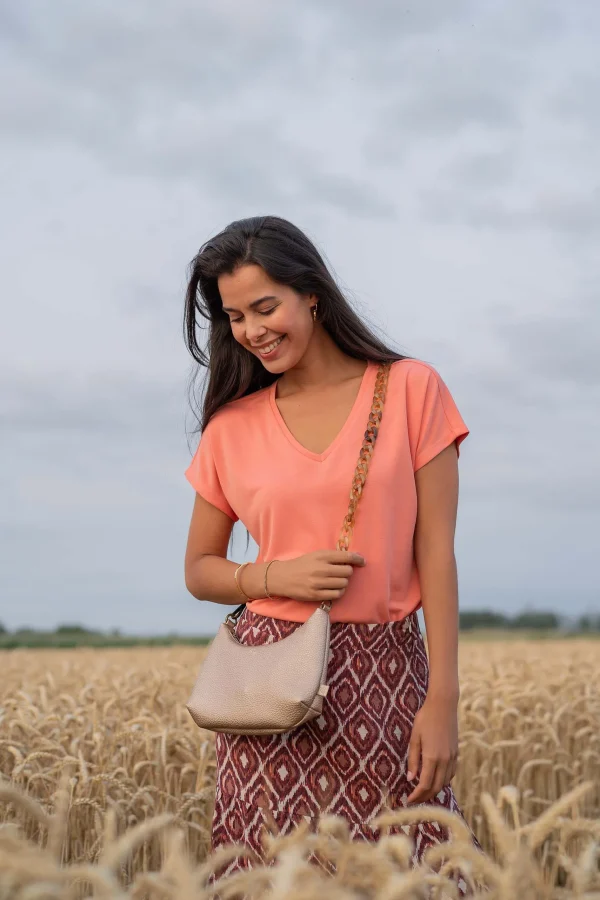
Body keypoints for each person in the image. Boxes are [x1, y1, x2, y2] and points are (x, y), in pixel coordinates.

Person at [182, 215, 477, 885]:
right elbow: (199, 569)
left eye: (266, 306)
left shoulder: (410, 389)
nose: (252, 330)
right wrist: (277, 573)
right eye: (234, 316)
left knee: (415, 871)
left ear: (311, 293)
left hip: (387, 683)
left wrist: (443, 698)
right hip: (267, 687)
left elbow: (438, 552)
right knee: (267, 877)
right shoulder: (231, 427)